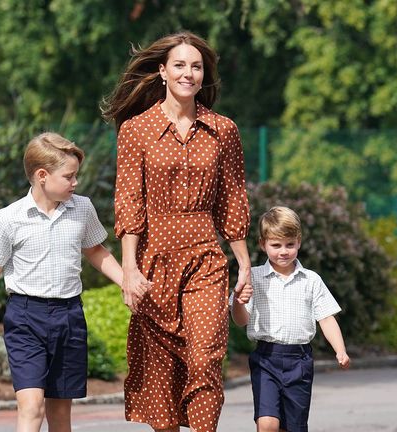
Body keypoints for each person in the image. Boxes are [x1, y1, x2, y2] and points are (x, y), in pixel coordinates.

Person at [101, 31, 251, 432]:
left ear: (204, 75)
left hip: (206, 259)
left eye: (196, 66)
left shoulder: (224, 130)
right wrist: (129, 270)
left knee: (205, 358)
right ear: (163, 71)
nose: (188, 73)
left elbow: (232, 200)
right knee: (160, 376)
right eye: (180, 65)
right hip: (153, 264)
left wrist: (245, 267)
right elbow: (129, 202)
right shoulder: (136, 130)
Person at [0, 132, 129, 432]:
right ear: (42, 176)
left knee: (60, 415)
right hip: (26, 319)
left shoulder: (82, 208)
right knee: (32, 406)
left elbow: (94, 249)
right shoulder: (11, 219)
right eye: (69, 176)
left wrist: (124, 281)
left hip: (69, 318)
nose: (75, 182)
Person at [231, 206, 350, 432]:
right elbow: (241, 320)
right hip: (266, 359)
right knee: (267, 424)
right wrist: (238, 301)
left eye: (290, 244)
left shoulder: (311, 280)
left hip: (299, 361)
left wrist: (340, 350)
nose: (283, 251)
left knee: (293, 427)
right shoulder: (252, 277)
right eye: (276, 245)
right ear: (262, 244)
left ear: (299, 242)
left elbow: (326, 318)